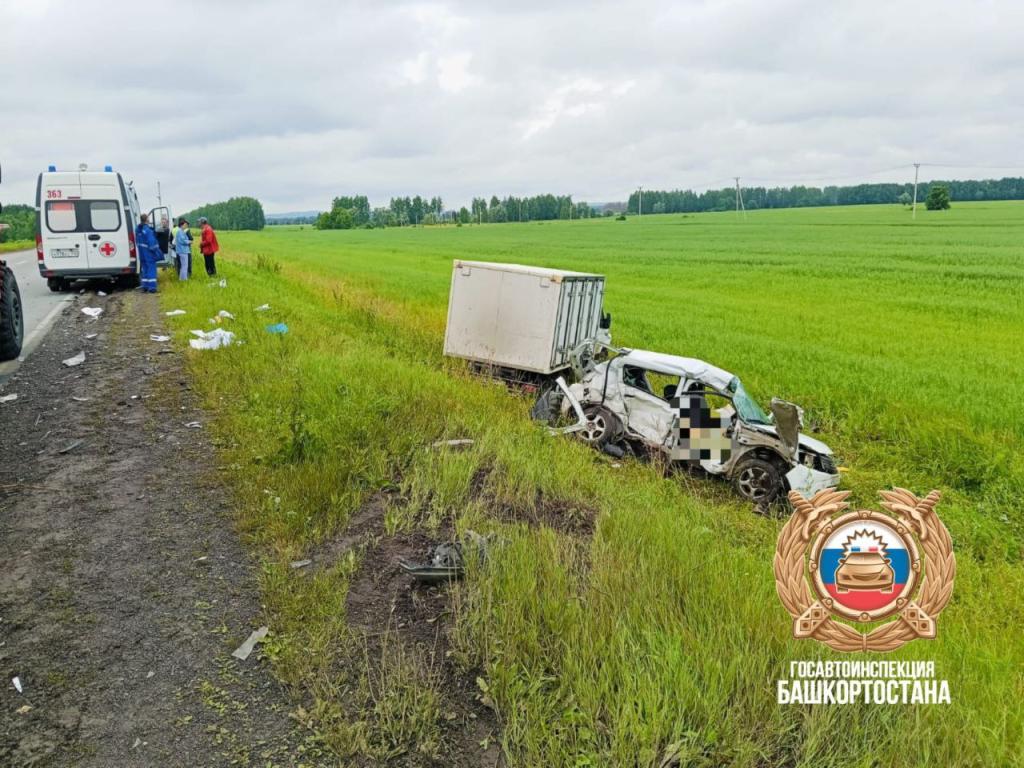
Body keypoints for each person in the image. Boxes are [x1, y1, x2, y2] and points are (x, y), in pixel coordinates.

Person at [135, 213, 161, 293]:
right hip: (148, 253)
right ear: (147, 220)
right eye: (148, 218)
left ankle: (145, 286)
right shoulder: (148, 230)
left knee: (145, 269)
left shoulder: (138, 229)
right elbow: (152, 243)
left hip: (141, 253)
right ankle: (152, 288)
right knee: (151, 269)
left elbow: (137, 241)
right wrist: (157, 251)